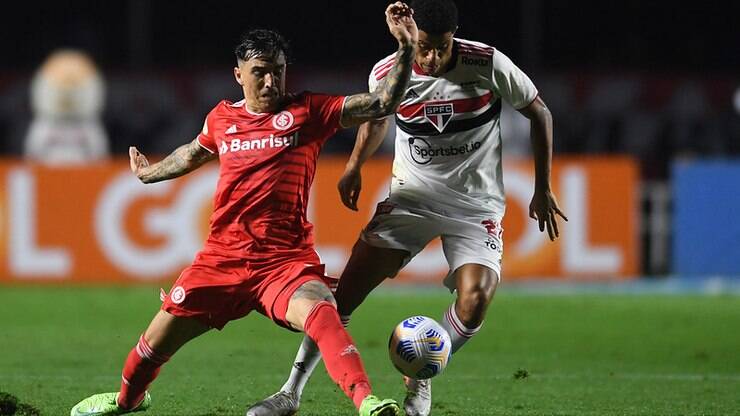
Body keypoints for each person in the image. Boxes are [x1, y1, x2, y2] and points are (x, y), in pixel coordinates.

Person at [69, 3, 417, 416]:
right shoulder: (222, 118)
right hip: (221, 260)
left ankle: (368, 402)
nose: (271, 81)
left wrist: (408, 49)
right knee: (150, 347)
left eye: (278, 71)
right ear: (239, 75)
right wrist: (150, 174)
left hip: (283, 263)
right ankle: (129, 401)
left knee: (323, 312)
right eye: (260, 73)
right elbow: (193, 152)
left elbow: (382, 103)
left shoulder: (309, 111)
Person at [245, 1, 567, 416]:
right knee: (341, 297)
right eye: (424, 47)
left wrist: (543, 187)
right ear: (412, 39)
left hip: (474, 206)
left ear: (456, 37)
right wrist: (355, 165)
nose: (431, 57)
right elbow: (378, 116)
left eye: (441, 47)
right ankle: (290, 392)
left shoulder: (486, 62)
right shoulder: (387, 71)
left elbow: (539, 112)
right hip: (411, 200)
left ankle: (421, 375)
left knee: (476, 300)